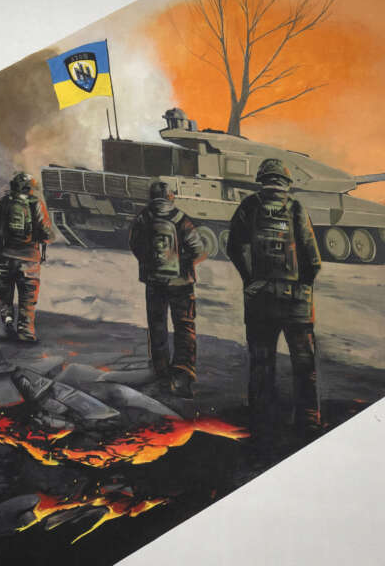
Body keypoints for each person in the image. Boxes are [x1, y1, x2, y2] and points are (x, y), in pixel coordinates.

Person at [226, 158, 322, 440]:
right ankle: (309, 421)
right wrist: (302, 287)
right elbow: (313, 259)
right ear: (286, 183)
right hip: (297, 303)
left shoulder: (248, 206)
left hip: (260, 300)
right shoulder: (296, 208)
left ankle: (261, 421)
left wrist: (250, 280)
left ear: (261, 180)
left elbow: (234, 248)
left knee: (261, 363)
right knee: (304, 365)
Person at [128, 181, 206, 398]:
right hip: (181, 283)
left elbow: (135, 245)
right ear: (171, 197)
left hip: (154, 282)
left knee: (157, 326)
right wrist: (181, 265)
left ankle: (161, 372)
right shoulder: (182, 219)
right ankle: (183, 374)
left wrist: (151, 265)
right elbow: (199, 250)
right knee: (184, 326)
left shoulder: (143, 218)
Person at [0, 172, 55, 342]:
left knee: (5, 292)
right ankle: (25, 331)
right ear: (31, 188)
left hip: (4, 258)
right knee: (27, 297)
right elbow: (46, 232)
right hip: (29, 260)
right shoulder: (36, 204)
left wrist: (1, 240)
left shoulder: (4, 203)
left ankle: (7, 316)